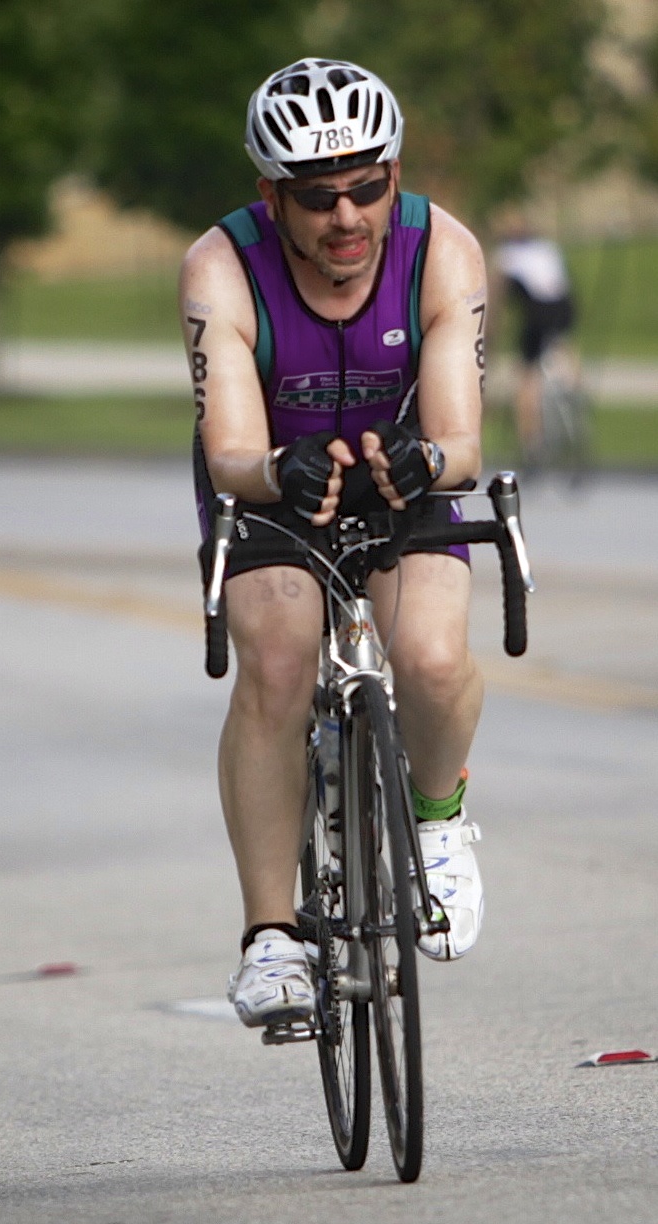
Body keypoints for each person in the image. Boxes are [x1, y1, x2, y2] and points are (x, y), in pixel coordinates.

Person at [179, 58, 487, 1030]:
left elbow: (463, 443)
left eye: (368, 187)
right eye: (318, 198)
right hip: (275, 481)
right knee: (274, 660)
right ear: (272, 199)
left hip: (404, 472)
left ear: (394, 174)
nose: (347, 216)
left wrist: (420, 454)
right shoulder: (219, 266)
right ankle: (271, 936)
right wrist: (282, 470)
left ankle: (436, 821)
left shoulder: (441, 248)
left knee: (431, 656)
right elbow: (230, 452)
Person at [492, 210, 580, 466]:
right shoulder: (547, 248)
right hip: (564, 308)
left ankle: (531, 441)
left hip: (537, 312)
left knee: (526, 375)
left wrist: (491, 335)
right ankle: (573, 388)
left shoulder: (507, 255)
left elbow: (497, 298)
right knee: (562, 343)